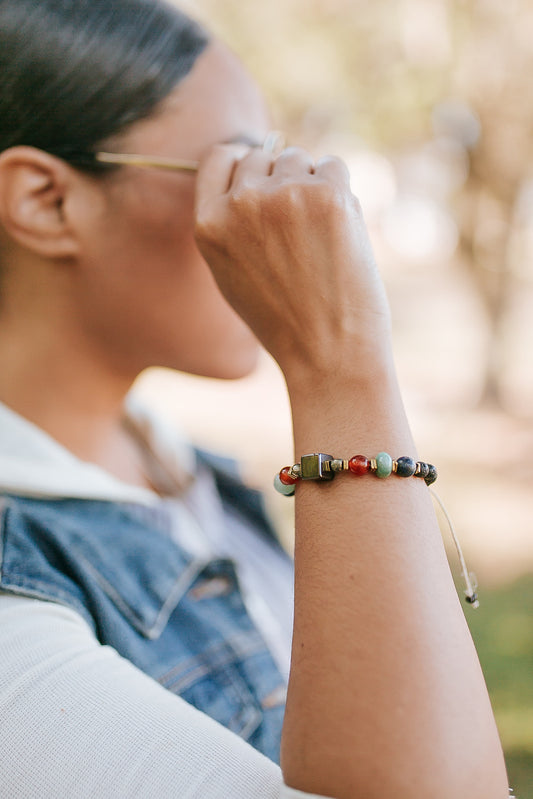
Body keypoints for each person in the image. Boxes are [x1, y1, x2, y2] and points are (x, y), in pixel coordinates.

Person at [0, 0, 510, 797]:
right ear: (46, 201)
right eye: (236, 166)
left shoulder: (173, 459)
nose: (289, 204)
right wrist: (338, 366)